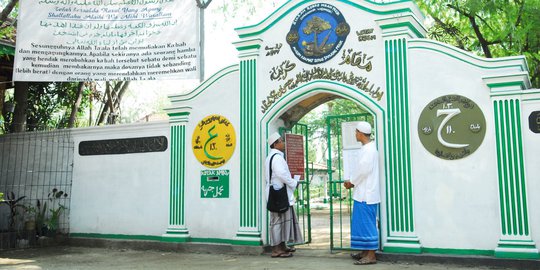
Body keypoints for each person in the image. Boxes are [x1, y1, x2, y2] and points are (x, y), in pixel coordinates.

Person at [343, 121, 380, 265]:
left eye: (356, 132)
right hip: (362, 193)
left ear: (360, 133)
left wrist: (351, 182)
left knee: (368, 224)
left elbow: (363, 170)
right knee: (361, 224)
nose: (355, 134)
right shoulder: (367, 148)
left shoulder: (370, 150)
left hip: (367, 194)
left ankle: (371, 256)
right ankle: (364, 252)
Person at [265, 132, 304, 258]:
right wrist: (294, 182)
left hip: (276, 193)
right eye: (281, 141)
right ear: (275, 144)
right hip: (279, 195)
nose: (283, 143)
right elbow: (282, 175)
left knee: (280, 222)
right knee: (277, 222)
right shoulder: (277, 158)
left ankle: (281, 246)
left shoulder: (272, 157)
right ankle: (276, 249)